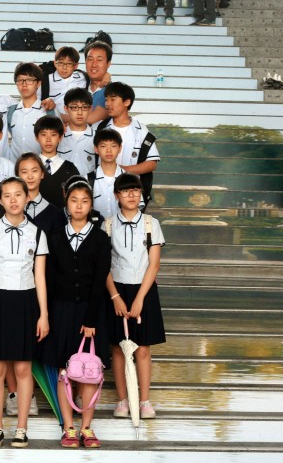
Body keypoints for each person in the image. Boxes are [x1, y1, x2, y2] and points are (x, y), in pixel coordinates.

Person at [0, 177, 49, 448]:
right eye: (7, 195)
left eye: (18, 194)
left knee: (22, 367)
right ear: (0, 200)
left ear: (28, 197)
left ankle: (21, 428)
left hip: (26, 302)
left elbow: (40, 277)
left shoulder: (38, 233)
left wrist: (44, 315)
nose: (13, 200)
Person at [39, 176, 111, 449]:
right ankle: (68, 426)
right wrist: (47, 314)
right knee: (64, 370)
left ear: (91, 205)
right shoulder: (55, 237)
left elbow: (100, 279)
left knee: (90, 368)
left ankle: (86, 427)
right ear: (66, 205)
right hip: (61, 311)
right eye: (73, 200)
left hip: (91, 313)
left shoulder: (101, 238)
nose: (79, 206)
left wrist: (91, 319)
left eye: (84, 201)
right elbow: (49, 278)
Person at [3, 153, 63, 417]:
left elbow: (57, 255)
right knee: (11, 345)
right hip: (12, 289)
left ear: (42, 174)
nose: (29, 176)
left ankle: (43, 393)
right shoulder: (8, 208)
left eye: (34, 170)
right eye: (23, 171)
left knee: (39, 342)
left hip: (44, 285)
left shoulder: (55, 213)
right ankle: (15, 393)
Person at [105, 173, 166, 421]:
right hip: (117, 290)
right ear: (116, 195)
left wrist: (140, 298)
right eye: (125, 191)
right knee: (118, 348)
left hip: (144, 289)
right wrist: (115, 296)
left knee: (142, 348)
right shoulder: (107, 225)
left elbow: (154, 264)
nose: (131, 195)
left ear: (141, 194)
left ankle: (144, 401)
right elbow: (104, 266)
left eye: (135, 190)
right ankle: (122, 400)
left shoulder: (151, 224)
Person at [97, 82, 160, 206]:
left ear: (127, 102)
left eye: (113, 99)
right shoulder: (100, 128)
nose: (108, 104)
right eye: (106, 100)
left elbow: (152, 163)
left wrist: (122, 170)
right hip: (102, 192)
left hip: (131, 195)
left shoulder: (141, 131)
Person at [7, 62, 55, 160]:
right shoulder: (11, 112)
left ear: (38, 83)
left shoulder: (48, 111)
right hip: (15, 166)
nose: (24, 84)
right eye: (20, 80)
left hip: (41, 167)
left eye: (29, 80)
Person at [35, 115, 80, 209]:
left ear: (60, 137)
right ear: (37, 138)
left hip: (63, 217)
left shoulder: (70, 168)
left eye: (53, 135)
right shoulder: (30, 167)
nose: (48, 140)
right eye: (43, 135)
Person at [90, 129, 132, 220]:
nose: (108, 150)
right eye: (103, 146)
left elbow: (135, 210)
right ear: (96, 149)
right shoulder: (87, 179)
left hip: (122, 228)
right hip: (96, 228)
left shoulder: (130, 180)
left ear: (120, 148)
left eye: (113, 146)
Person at [39, 46, 89, 116]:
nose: (64, 68)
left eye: (69, 63)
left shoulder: (83, 77)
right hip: (53, 119)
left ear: (76, 66)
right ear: (55, 63)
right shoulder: (45, 80)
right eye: (60, 63)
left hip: (77, 118)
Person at [58, 88, 96, 179]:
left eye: (84, 107)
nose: (80, 112)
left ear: (90, 109)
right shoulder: (57, 136)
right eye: (74, 107)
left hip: (88, 185)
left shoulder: (97, 137)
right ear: (66, 109)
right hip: (61, 184)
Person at [84, 42, 113, 125]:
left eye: (99, 60)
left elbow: (90, 119)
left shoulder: (112, 93)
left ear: (108, 64)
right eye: (90, 59)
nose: (94, 64)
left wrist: (59, 117)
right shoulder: (79, 83)